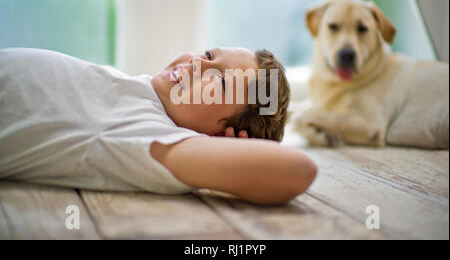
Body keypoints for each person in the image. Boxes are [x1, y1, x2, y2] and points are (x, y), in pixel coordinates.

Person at [0, 47, 316, 205]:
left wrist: (223, 151)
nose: (199, 64)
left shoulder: (148, 131)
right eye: (208, 55)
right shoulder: (136, 90)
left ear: (218, 135)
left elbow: (297, 171)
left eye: (218, 81)